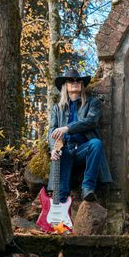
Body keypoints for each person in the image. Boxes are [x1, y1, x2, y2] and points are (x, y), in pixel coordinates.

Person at [48, 69, 112, 202]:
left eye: (78, 80)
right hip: (64, 150)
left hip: (83, 148)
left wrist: (67, 128)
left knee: (96, 143)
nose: (75, 82)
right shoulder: (57, 108)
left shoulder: (92, 103)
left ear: (82, 85)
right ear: (65, 85)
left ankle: (88, 188)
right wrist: (53, 148)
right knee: (60, 195)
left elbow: (91, 121)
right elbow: (52, 130)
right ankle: (61, 209)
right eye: (71, 80)